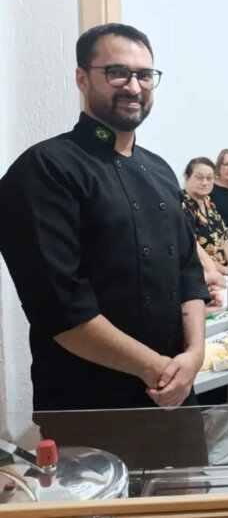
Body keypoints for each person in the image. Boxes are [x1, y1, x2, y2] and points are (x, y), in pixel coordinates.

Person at [0, 24, 209, 410]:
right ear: (82, 78)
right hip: (89, 402)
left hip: (177, 394)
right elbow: (61, 309)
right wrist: (158, 370)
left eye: (145, 75)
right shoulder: (43, 170)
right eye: (117, 72)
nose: (134, 86)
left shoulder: (160, 170)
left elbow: (189, 273)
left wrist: (195, 355)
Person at [182, 157, 228, 277]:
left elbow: (224, 236)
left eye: (209, 178)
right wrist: (224, 270)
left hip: (224, 271)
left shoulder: (208, 203)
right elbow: (192, 246)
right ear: (186, 177)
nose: (205, 183)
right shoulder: (183, 204)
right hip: (202, 273)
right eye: (200, 178)